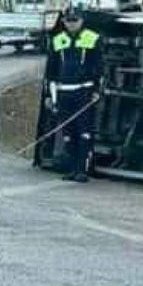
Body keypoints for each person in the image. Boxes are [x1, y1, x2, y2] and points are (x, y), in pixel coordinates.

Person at [44, 9, 103, 183]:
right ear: (63, 21)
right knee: (68, 132)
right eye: (68, 20)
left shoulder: (92, 38)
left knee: (84, 131)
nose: (71, 23)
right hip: (63, 92)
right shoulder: (57, 40)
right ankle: (72, 168)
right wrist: (49, 95)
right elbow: (51, 70)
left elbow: (99, 66)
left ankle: (82, 170)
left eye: (75, 20)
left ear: (81, 21)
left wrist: (96, 90)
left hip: (83, 91)